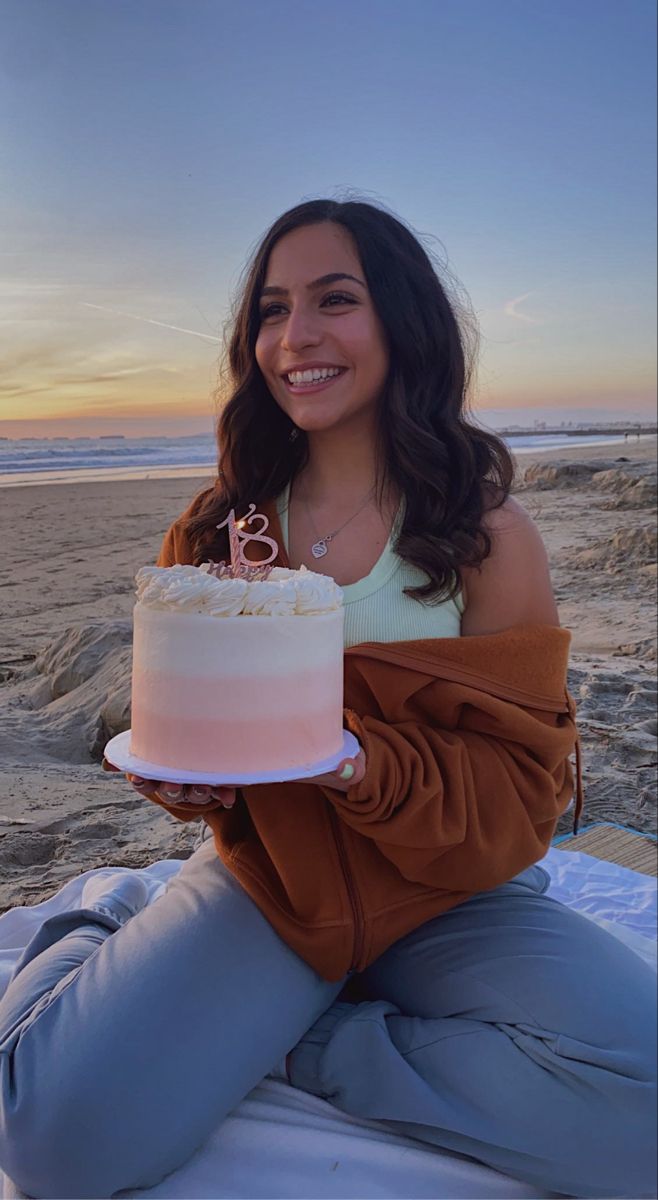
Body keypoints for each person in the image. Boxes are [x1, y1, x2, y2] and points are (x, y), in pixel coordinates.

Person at [0, 199, 655, 1200]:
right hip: (280, 887)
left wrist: (352, 758)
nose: (293, 337)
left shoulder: (484, 534)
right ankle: (100, 928)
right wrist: (191, 787)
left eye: (333, 301)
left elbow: (520, 791)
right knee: (59, 1146)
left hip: (452, 891)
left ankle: (318, 1043)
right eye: (270, 310)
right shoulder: (217, 534)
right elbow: (189, 747)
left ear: (400, 321)